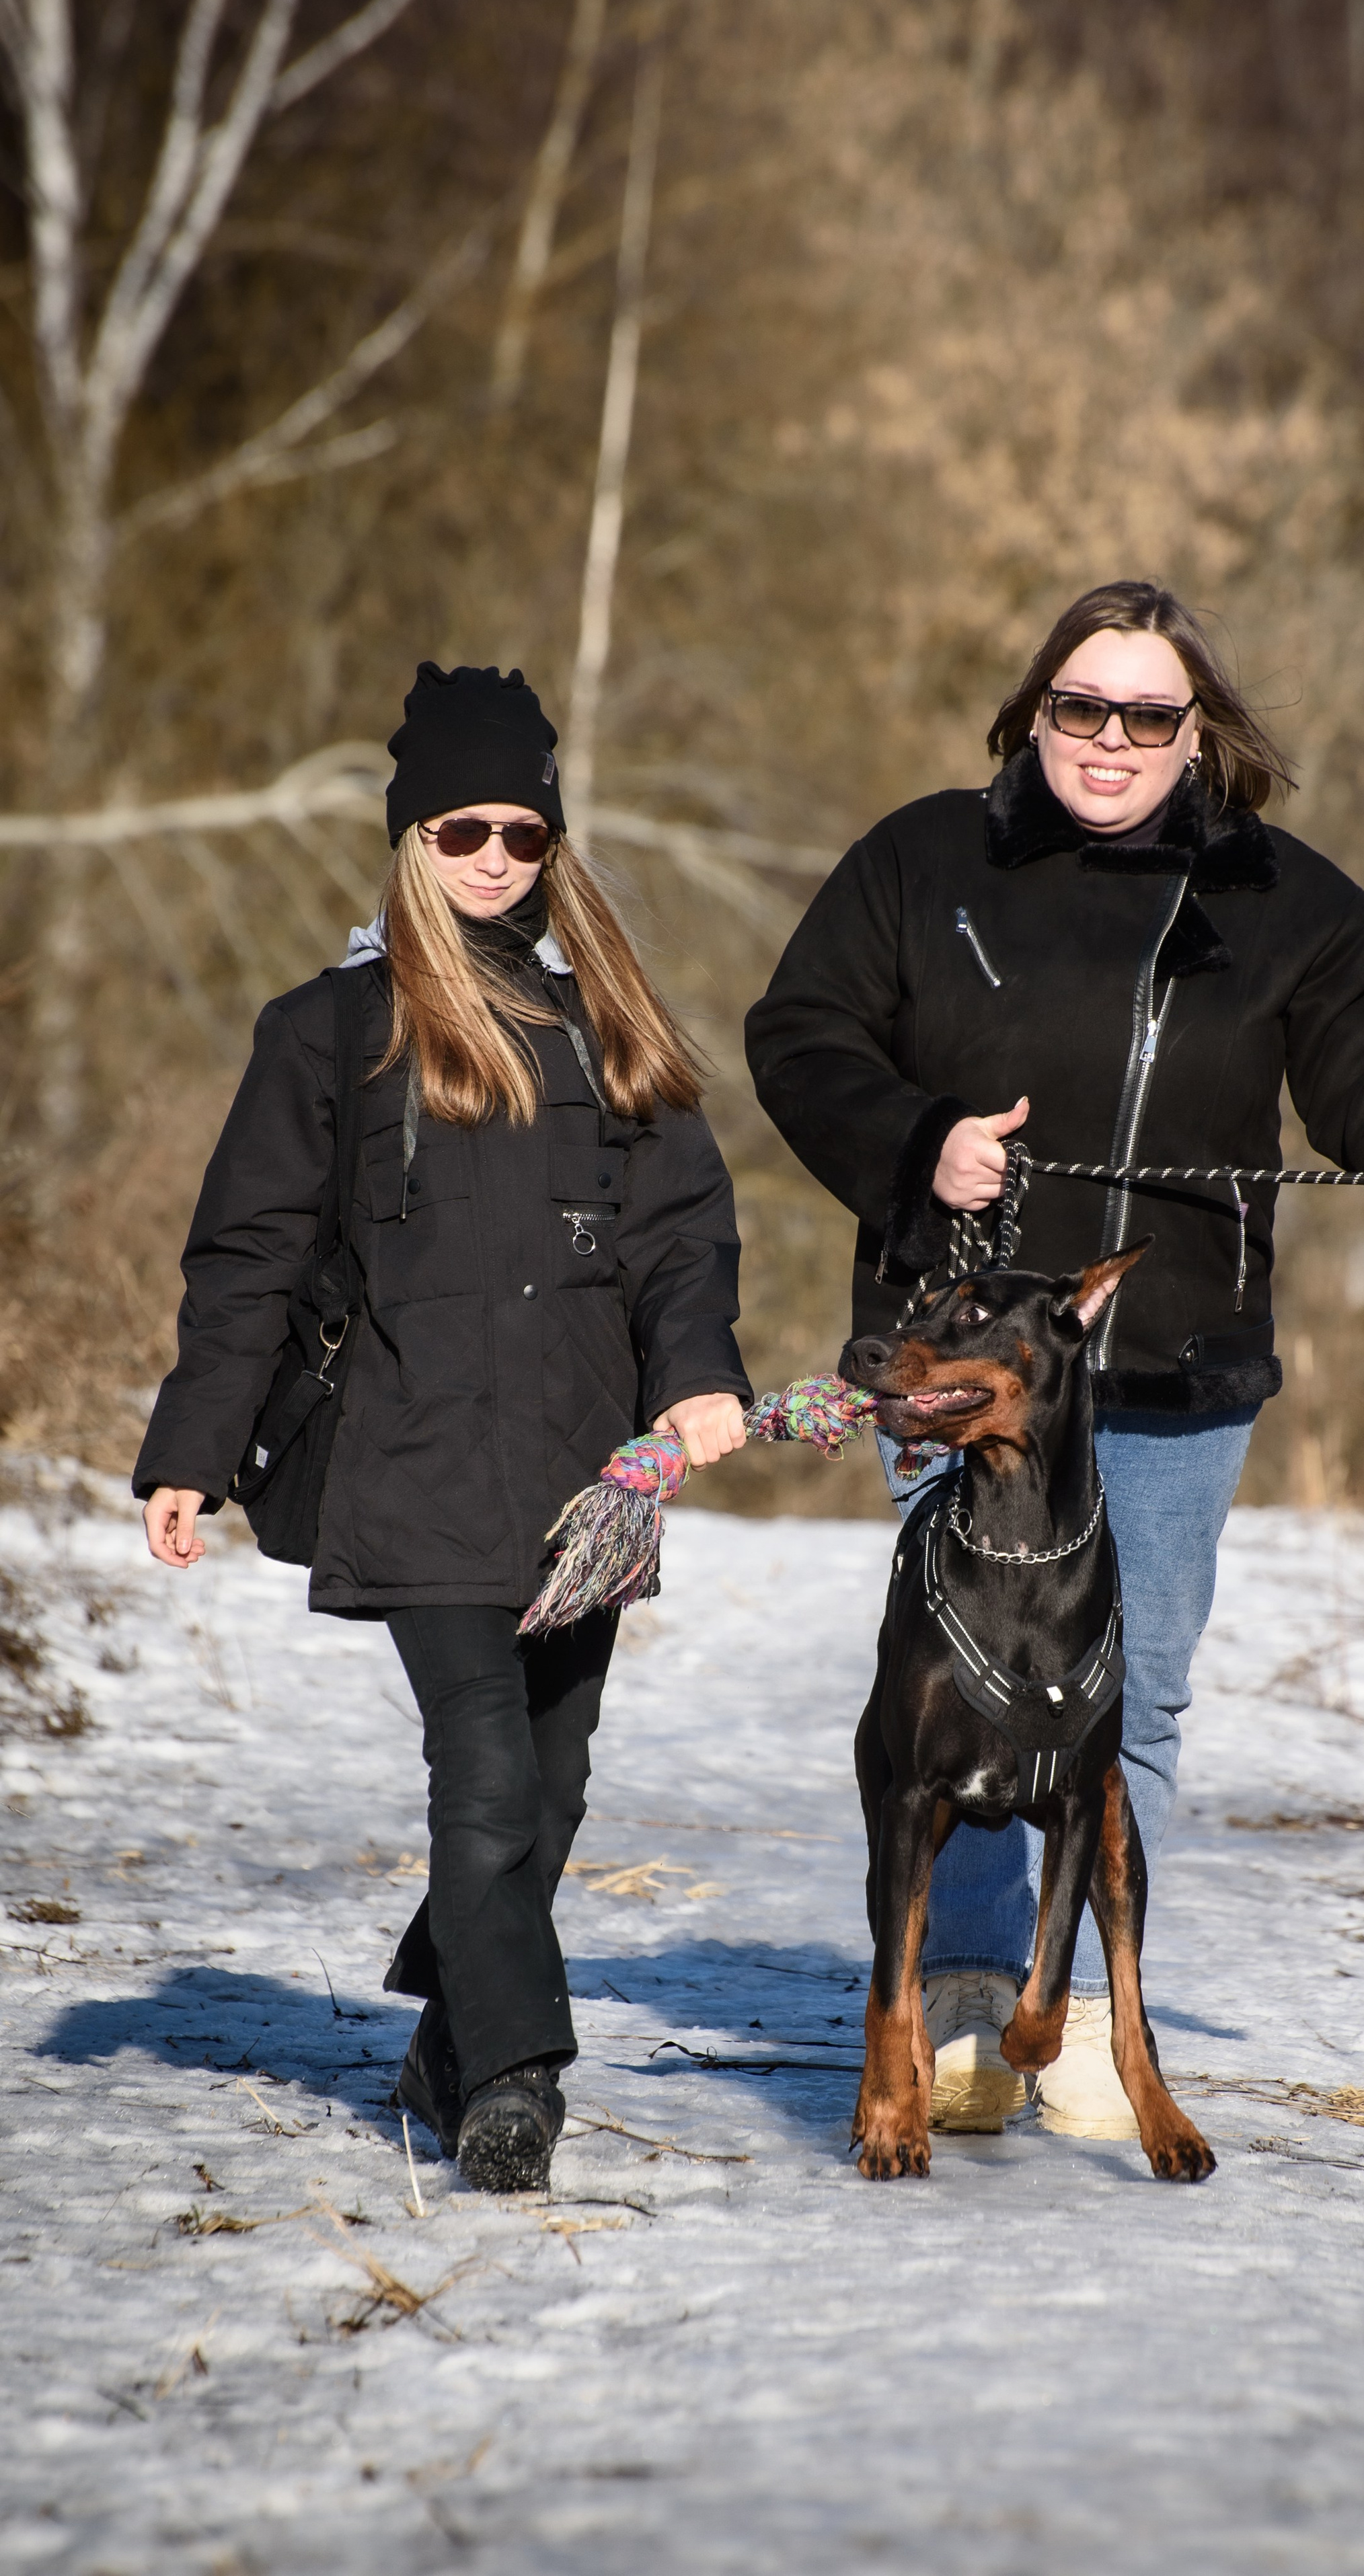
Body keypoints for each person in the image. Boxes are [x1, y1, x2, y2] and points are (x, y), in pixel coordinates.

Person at [745, 580, 1364, 2140]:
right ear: (1031, 711)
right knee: (965, 1689)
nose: (1108, 740)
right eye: (1078, 708)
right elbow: (800, 1035)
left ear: (1198, 733)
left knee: (1134, 1694)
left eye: (1146, 715)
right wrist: (917, 1142)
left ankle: (1079, 1992)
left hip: (1178, 1365)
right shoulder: (925, 862)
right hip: (971, 1359)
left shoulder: (1287, 905)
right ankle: (978, 2002)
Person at [135, 662, 751, 2193]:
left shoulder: (608, 1023)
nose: (491, 858)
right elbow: (251, 1257)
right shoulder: (327, 1034)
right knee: (481, 1778)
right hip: (406, 1464)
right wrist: (190, 1452)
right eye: (461, 829)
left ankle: (454, 2029)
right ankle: (516, 2083)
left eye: (522, 834)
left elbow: (683, 1232)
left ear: (554, 846)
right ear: (410, 837)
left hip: (583, 1474)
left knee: (552, 1786)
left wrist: (697, 1374)